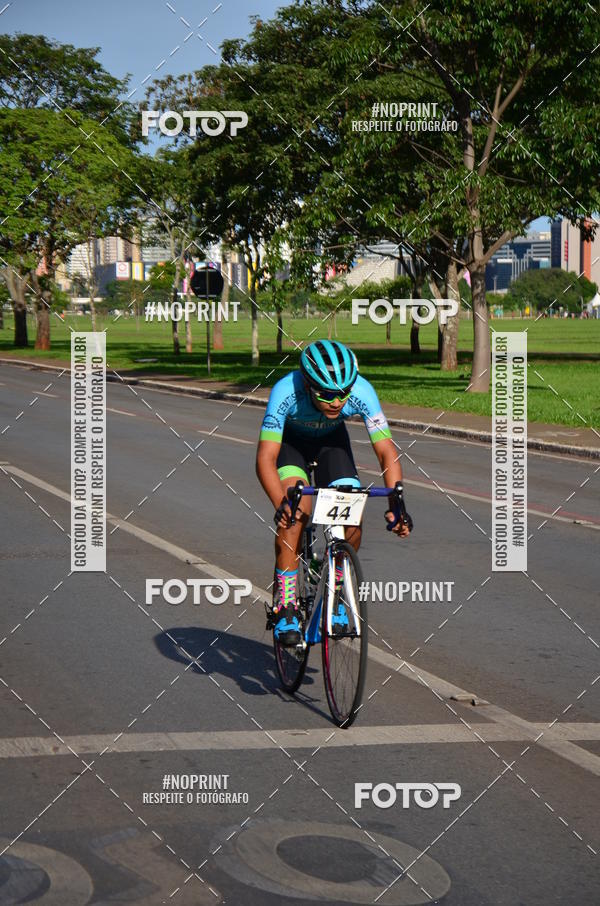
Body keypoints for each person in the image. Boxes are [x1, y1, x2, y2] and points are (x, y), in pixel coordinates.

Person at [255, 339, 411, 646]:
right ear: (309, 386)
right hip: (291, 445)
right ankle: (286, 605)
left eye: (343, 393)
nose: (337, 401)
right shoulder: (286, 391)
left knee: (352, 513)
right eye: (327, 394)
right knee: (296, 512)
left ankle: (338, 590)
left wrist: (397, 503)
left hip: (332, 443)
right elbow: (265, 459)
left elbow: (385, 450)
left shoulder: (362, 391)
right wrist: (280, 504)